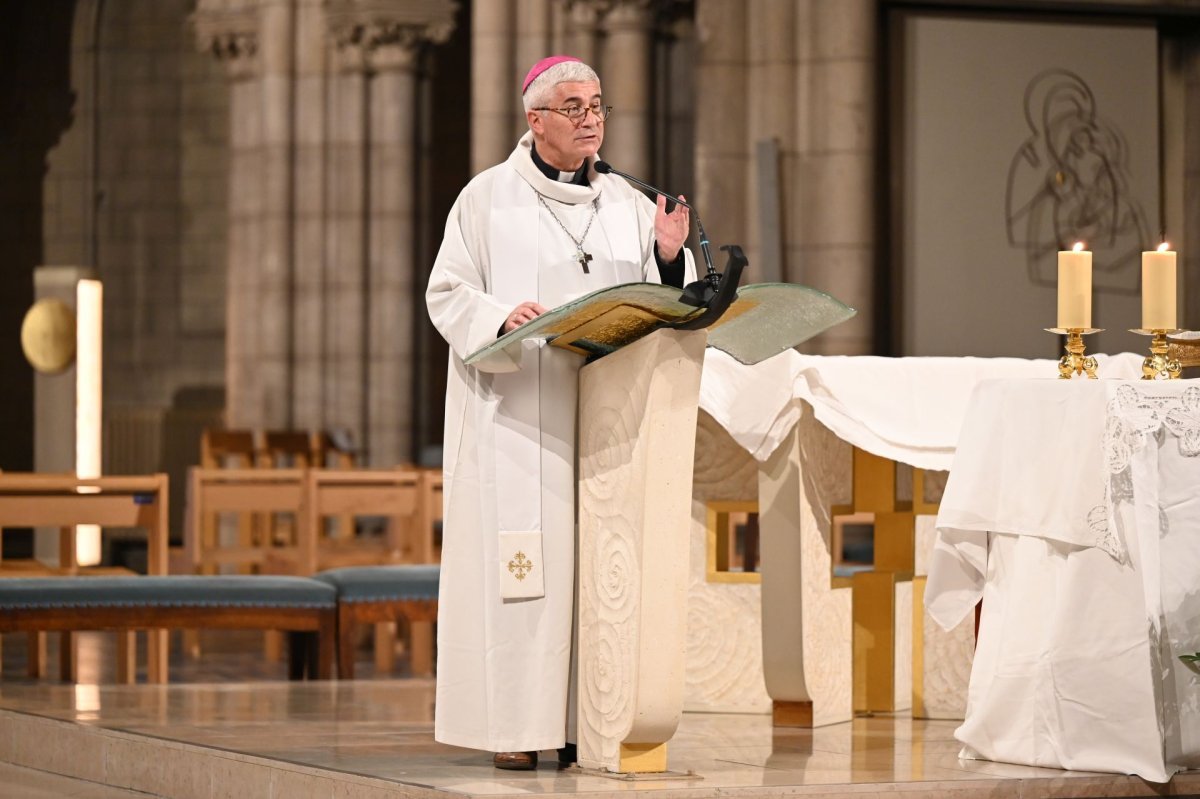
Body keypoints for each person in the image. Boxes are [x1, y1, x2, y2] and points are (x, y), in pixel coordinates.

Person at [425, 55, 696, 771]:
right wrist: (498, 316)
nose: (590, 119)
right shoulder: (486, 199)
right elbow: (446, 292)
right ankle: (517, 727)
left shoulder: (630, 204)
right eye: (573, 107)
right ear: (535, 119)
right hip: (522, 416)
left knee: (600, 569)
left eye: (597, 105)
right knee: (528, 570)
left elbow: (669, 297)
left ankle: (588, 723)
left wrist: (669, 256)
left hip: (608, 423)